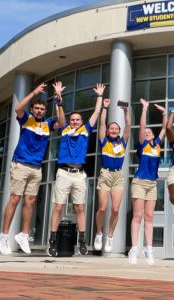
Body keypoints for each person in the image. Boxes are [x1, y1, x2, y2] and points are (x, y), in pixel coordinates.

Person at [0, 82, 66, 255]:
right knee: (15, 199)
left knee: (31, 201)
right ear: (33, 109)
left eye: (42, 109)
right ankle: (4, 236)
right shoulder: (26, 119)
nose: (39, 111)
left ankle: (23, 234)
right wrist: (34, 92)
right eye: (36, 108)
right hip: (20, 163)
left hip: (36, 167)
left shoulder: (47, 124)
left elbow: (62, 123)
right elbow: (18, 108)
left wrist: (59, 102)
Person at [47, 83, 105, 257]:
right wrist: (58, 97)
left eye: (77, 120)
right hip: (63, 173)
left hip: (79, 174)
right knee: (58, 207)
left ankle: (82, 242)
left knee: (80, 207)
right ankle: (52, 242)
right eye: (73, 120)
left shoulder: (86, 130)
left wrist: (100, 96)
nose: (74, 122)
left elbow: (95, 114)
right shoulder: (64, 129)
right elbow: (60, 116)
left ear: (81, 121)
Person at [129, 98, 167, 265]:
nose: (147, 133)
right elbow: (142, 127)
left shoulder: (157, 145)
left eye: (150, 132)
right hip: (139, 182)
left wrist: (164, 113)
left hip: (152, 184)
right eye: (146, 133)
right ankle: (134, 249)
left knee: (149, 216)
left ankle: (149, 249)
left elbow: (165, 128)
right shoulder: (142, 145)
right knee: (137, 216)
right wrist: (144, 109)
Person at [93, 98, 131, 253]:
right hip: (106, 174)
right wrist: (105, 107)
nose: (114, 130)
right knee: (102, 208)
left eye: (116, 129)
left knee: (115, 209)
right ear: (108, 131)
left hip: (118, 176)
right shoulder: (104, 141)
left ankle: (110, 236)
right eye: (112, 129)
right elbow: (101, 123)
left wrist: (125, 111)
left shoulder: (123, 141)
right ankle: (99, 233)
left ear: (119, 132)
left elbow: (128, 125)